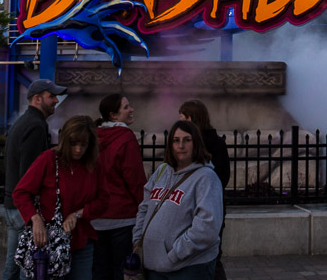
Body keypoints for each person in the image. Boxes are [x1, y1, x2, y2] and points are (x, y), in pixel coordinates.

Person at [14, 115, 107, 280]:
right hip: (48, 241)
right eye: (73, 144)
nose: (78, 150)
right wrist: (34, 219)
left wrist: (79, 213)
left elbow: (103, 200)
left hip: (80, 242)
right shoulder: (48, 160)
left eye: (83, 145)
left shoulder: (94, 165)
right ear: (65, 141)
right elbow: (21, 193)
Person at [132, 119, 224, 280]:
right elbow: (144, 208)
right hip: (152, 265)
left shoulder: (206, 177)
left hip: (187, 268)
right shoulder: (162, 171)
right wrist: (138, 239)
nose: (181, 146)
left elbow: (206, 227)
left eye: (187, 140)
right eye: (176, 140)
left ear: (196, 143)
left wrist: (174, 254)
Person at [3, 78, 66, 280]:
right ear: (37, 99)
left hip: (14, 205)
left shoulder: (24, 122)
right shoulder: (36, 126)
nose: (56, 100)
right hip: (25, 209)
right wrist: (34, 213)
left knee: (13, 264)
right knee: (29, 268)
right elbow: (30, 174)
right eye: (51, 96)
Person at [93, 94, 147, 280]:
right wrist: (144, 208)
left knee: (99, 271)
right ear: (113, 115)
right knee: (122, 271)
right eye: (126, 107)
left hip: (95, 218)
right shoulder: (125, 138)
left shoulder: (92, 137)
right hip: (122, 218)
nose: (131, 110)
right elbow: (135, 179)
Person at [178, 99, 230, 280]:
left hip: (192, 208)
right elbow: (224, 177)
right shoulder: (218, 142)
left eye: (182, 117)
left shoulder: (193, 145)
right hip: (214, 208)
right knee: (213, 255)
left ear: (191, 118)